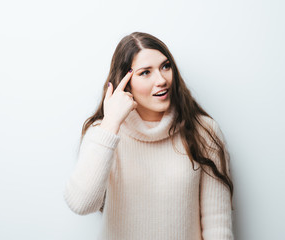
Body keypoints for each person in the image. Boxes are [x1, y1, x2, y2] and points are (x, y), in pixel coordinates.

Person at [63, 31, 234, 240]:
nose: (161, 80)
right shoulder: (103, 132)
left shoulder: (203, 131)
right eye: (145, 72)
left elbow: (217, 224)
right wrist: (111, 124)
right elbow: (81, 204)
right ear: (126, 82)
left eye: (165, 66)